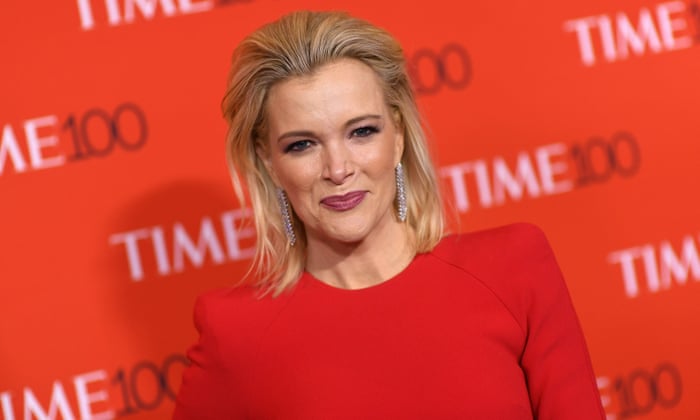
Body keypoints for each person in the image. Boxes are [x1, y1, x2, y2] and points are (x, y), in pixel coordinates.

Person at [174, 10, 605, 419]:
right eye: (302, 145)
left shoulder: (513, 268)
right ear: (269, 162)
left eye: (362, 132)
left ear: (398, 136)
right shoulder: (235, 334)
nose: (338, 169)